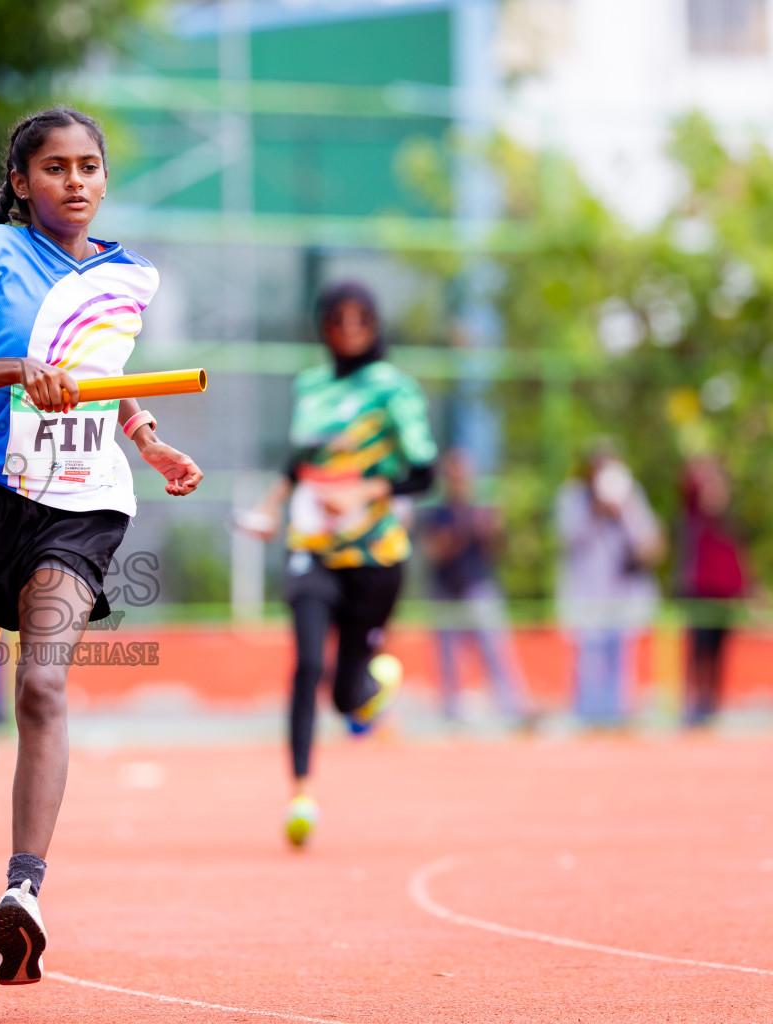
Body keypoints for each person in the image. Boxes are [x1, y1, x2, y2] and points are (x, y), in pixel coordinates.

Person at [0, 108, 204, 985]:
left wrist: (146, 437)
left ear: (105, 180)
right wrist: (14, 371)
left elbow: (102, 383)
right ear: (22, 182)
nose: (76, 181)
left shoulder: (125, 278)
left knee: (44, 681)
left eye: (90, 166)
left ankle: (23, 892)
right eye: (56, 167)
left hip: (82, 503)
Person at [242, 281, 438, 848]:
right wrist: (269, 510)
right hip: (313, 550)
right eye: (337, 319)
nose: (349, 328)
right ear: (323, 326)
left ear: (376, 325)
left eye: (361, 318)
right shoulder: (311, 386)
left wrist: (363, 493)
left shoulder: (394, 389)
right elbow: (299, 461)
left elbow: (423, 472)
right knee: (305, 664)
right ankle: (300, 793)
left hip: (376, 556)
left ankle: (372, 683)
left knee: (347, 697)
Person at [418, 447, 533, 726]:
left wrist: (491, 530)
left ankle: (512, 707)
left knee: (495, 648)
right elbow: (435, 550)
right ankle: (451, 711)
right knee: (448, 656)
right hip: (446, 590)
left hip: (478, 586)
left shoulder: (481, 510)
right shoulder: (437, 513)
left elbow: (497, 550)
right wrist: (461, 529)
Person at [555, 442, 663, 727]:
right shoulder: (573, 497)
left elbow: (648, 543)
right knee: (588, 661)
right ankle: (586, 716)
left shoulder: (630, 495)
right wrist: (595, 509)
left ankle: (616, 716)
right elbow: (569, 537)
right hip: (587, 594)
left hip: (622, 595)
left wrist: (622, 510)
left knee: (620, 661)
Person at [675, 455, 748, 727]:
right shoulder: (695, 517)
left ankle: (711, 705)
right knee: (698, 651)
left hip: (723, 599)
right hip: (698, 594)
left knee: (717, 652)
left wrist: (744, 590)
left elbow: (737, 565)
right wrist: (706, 466)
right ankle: (693, 704)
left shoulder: (729, 525)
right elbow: (688, 485)